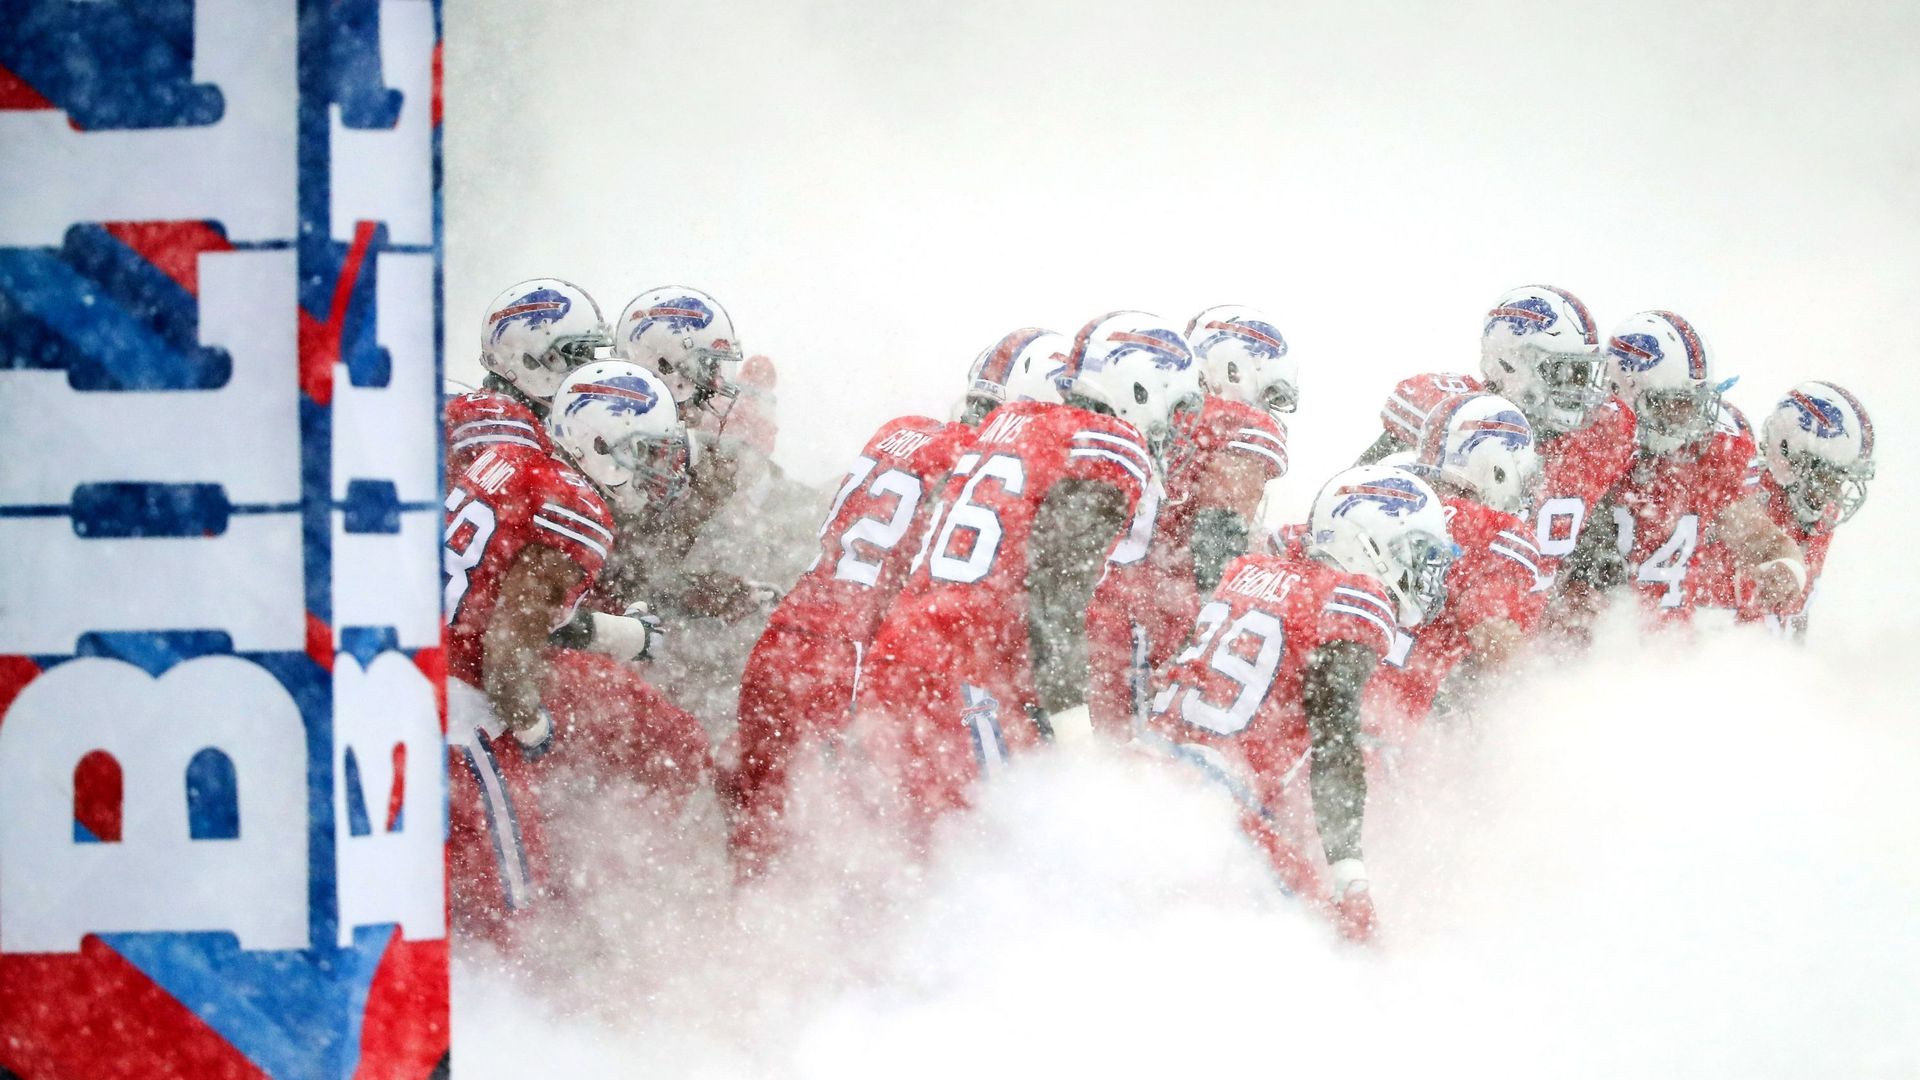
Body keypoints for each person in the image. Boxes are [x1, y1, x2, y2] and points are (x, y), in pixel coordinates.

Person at [724, 329, 1067, 872]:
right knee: (889, 858)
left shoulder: (901, 433)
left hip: (785, 644)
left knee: (767, 851)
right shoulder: (979, 466)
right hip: (854, 664)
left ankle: (742, 947)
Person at [852, 311, 1190, 828]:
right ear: (1141, 385)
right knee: (1002, 852)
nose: (1172, 424)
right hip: (963, 673)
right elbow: (1054, 599)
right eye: (1174, 403)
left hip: (902, 655)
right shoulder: (1107, 448)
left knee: (911, 852)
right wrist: (1079, 743)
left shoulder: (1010, 423)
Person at [1146, 465, 1456, 943]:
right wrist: (1350, 877)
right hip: (1215, 804)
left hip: (1147, 764)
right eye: (1415, 551)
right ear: (1369, 542)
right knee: (1345, 946)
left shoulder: (1250, 570)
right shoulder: (1355, 597)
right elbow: (1335, 740)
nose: (1427, 572)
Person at [442, 361, 699, 936]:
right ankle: (504, 1019)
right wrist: (533, 728)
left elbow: (496, 599)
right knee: (511, 911)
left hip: (411, 674)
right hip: (459, 709)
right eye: (648, 453)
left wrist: (612, 634)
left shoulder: (512, 459)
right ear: (602, 441)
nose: (657, 472)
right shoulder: (576, 505)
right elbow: (508, 651)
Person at [1086, 305, 1292, 734]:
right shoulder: (1240, 423)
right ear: (1235, 366)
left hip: (1084, 592)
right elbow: (1218, 532)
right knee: (1136, 760)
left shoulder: (1146, 400)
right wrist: (1207, 632)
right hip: (1145, 613)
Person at [1355, 285, 1634, 594]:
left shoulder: (1601, 431)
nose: (1580, 390)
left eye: (1584, 374)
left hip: (1528, 626)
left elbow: (1592, 516)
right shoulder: (1448, 418)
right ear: (1509, 365)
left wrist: (1584, 581)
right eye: (1565, 372)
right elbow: (1354, 510)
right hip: (1453, 620)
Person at [1593, 311, 1803, 626]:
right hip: (1592, 660)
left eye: (1694, 404)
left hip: (1672, 656)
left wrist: (1786, 567)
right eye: (1676, 403)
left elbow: (1764, 541)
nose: (1690, 419)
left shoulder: (1701, 460)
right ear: (1625, 391)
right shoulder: (1589, 455)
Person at [1363, 393, 1547, 738]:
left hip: (1329, 690)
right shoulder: (1495, 532)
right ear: (1497, 467)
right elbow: (1496, 642)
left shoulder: (1382, 497)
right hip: (1389, 722)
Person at [1695, 381, 1875, 637]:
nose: (1834, 493)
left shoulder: (1818, 512)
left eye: (1840, 480)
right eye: (1827, 478)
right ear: (1788, 452)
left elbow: (1794, 619)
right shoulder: (1733, 494)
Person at [445, 277, 612, 468]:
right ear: (530, 360)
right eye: (580, 354)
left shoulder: (528, 419)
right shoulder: (497, 420)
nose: (589, 367)